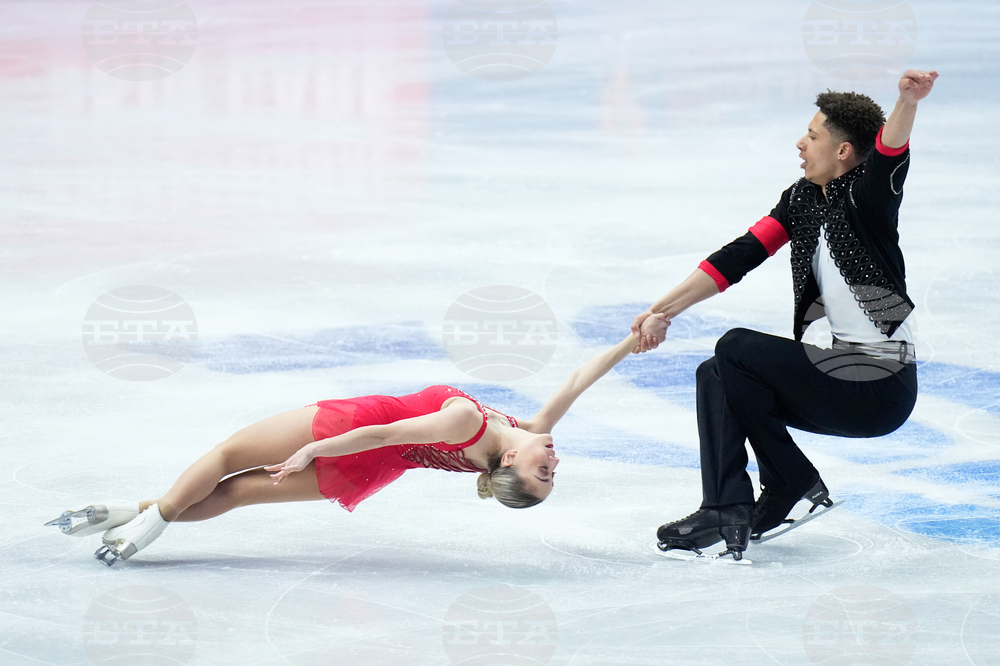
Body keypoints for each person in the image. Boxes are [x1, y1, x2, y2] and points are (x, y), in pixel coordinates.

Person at [45, 315, 669, 565]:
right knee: (234, 494)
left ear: (510, 460)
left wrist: (315, 449)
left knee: (228, 460)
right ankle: (129, 517)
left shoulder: (468, 426)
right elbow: (580, 378)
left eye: (543, 473)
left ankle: (140, 527)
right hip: (372, 466)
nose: (553, 462)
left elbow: (387, 429)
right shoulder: (528, 433)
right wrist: (631, 339)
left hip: (352, 432)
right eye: (551, 474)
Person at [632, 70, 938, 560]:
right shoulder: (799, 200)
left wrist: (907, 102)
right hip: (836, 373)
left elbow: (889, 150)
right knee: (717, 373)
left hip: (880, 386)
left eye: (813, 135)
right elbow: (740, 255)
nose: (801, 143)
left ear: (841, 151)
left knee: (735, 347)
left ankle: (790, 477)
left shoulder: (869, 195)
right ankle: (726, 505)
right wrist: (660, 310)